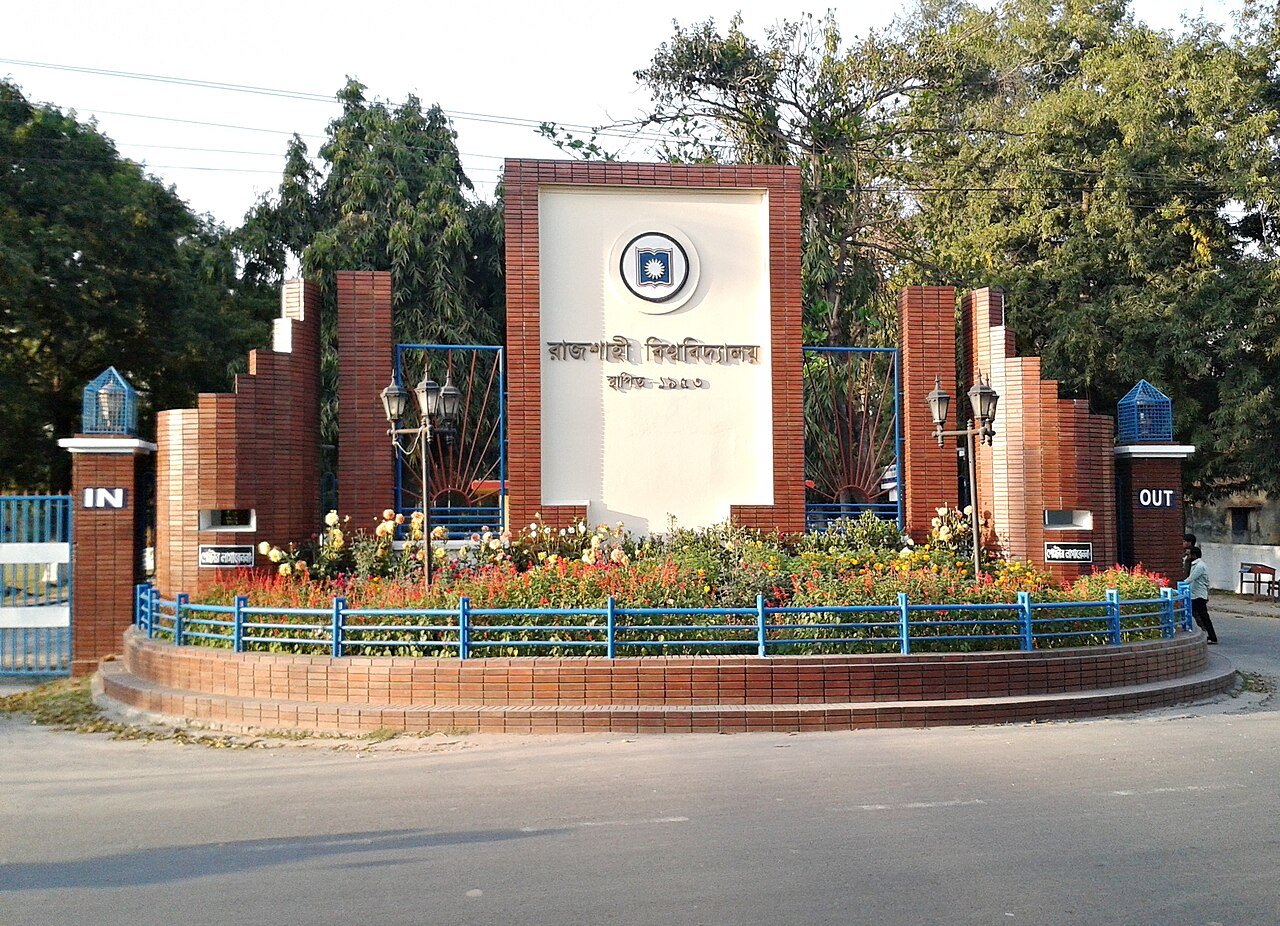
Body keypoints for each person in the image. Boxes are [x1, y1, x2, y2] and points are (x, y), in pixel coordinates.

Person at [1186, 546, 1218, 644]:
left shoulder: (1199, 566)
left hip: (1198, 595)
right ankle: (1206, 634)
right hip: (1196, 594)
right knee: (1197, 615)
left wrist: (1178, 585)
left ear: (1194, 555)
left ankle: (1211, 636)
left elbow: (1190, 579)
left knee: (1203, 616)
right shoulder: (1196, 565)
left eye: (1189, 554)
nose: (1187, 556)